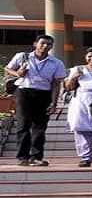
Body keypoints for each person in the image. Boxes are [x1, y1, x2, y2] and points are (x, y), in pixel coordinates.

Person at [4, 34, 67, 166]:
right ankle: (23, 157)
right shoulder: (22, 56)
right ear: (35, 44)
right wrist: (18, 74)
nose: (45, 46)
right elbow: (8, 69)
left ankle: (36, 157)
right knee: (23, 124)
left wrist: (54, 102)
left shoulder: (56, 63)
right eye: (42, 43)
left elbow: (56, 84)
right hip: (23, 91)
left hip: (44, 94)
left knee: (40, 126)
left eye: (49, 44)